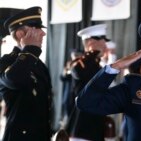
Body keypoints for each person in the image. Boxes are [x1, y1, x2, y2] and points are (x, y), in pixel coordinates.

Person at [0, 7, 53, 141]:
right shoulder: (6, 61)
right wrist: (30, 50)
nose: (43, 33)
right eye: (36, 28)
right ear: (20, 34)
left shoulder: (39, 64)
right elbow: (15, 80)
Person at [66, 24, 112, 141]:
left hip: (95, 128)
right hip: (81, 128)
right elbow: (78, 72)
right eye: (102, 42)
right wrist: (93, 53)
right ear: (91, 42)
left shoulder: (96, 65)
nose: (105, 45)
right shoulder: (80, 64)